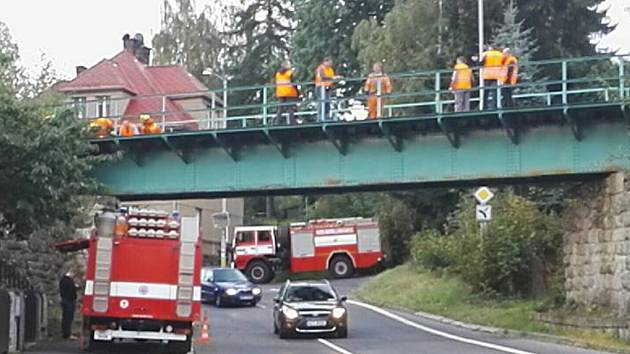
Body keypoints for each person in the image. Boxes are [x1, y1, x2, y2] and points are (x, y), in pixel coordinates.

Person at [315, 57, 341, 122]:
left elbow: (331, 79)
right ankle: (320, 117)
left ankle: (327, 116)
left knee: (327, 102)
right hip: (320, 87)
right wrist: (333, 78)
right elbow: (323, 77)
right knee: (322, 102)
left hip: (328, 87)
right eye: (330, 62)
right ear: (325, 62)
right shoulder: (320, 68)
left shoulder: (330, 69)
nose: (331, 64)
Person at [480, 45, 505, 110]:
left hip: (487, 75)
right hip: (496, 75)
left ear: (490, 48)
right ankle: (494, 106)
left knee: (486, 92)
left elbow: (481, 63)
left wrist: (476, 60)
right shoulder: (500, 54)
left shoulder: (486, 54)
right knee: (495, 92)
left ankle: (484, 107)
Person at [59, 271, 79, 340]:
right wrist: (76, 287)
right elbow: (71, 290)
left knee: (65, 318)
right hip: (69, 301)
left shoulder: (62, 280)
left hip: (64, 300)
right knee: (68, 318)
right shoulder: (69, 281)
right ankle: (67, 334)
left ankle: (65, 333)